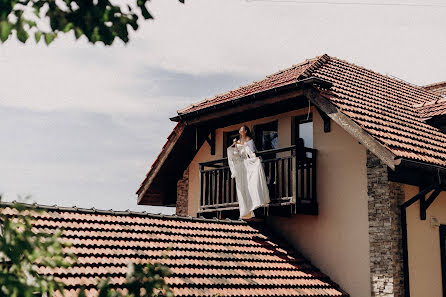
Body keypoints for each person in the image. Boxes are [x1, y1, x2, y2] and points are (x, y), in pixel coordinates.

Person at [227, 125, 270, 219]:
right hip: (241, 165)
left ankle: (254, 202)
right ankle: (245, 210)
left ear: (245, 131)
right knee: (242, 186)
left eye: (241, 129)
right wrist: (234, 144)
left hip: (247, 163)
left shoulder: (248, 139)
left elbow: (252, 151)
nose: (240, 130)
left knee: (250, 184)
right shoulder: (238, 141)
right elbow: (233, 152)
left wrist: (255, 159)